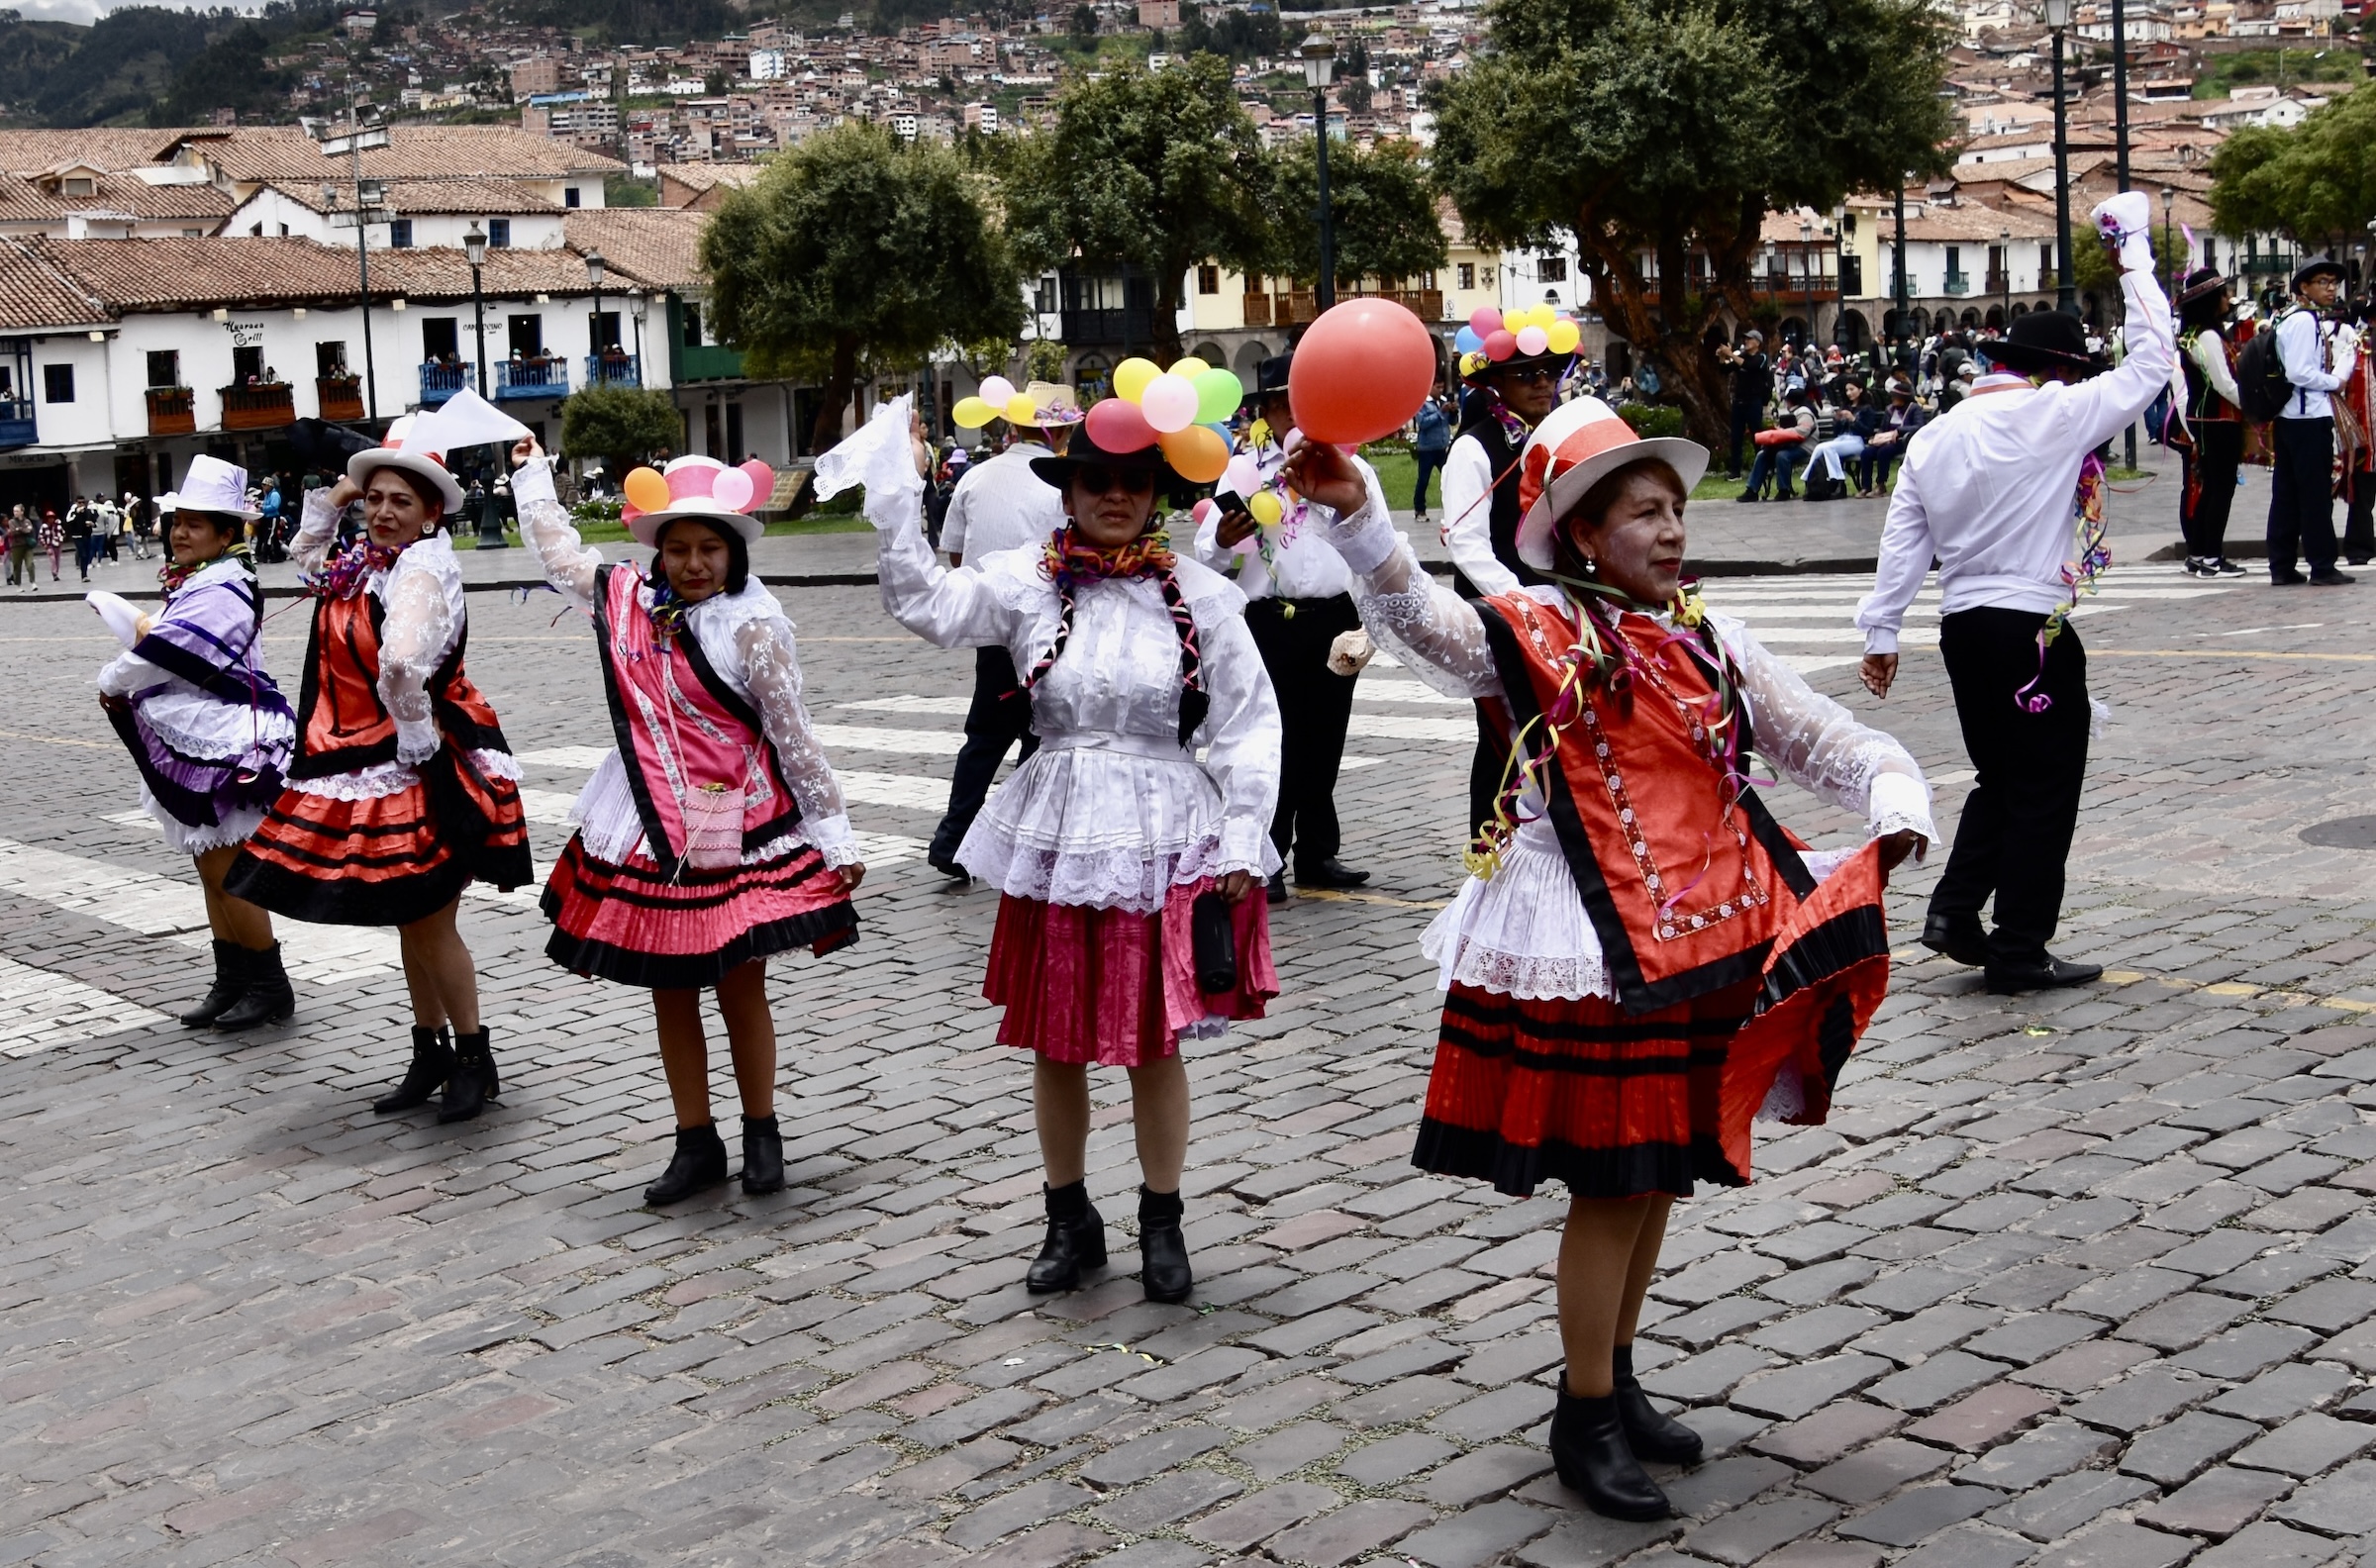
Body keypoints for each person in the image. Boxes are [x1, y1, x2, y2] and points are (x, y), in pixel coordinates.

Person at [1285, 400, 1931, 1521]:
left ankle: (1617, 1377)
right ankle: (1583, 1411)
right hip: (1589, 939)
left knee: (1663, 1169)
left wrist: (1894, 793)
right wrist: (1360, 520)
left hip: (1691, 938)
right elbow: (1428, 628)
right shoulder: (1538, 625)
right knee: (1612, 1180)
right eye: (1644, 511)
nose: (1673, 529)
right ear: (1584, 532)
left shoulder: (1703, 638)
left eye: (1677, 508)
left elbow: (1817, 734)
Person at [855, 395, 1281, 1306]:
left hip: (1165, 835)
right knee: (1057, 1040)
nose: (1114, 498)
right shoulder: (1027, 579)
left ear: (1157, 493)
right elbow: (927, 604)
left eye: (1133, 484)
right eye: (1097, 482)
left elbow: (1248, 723)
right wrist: (897, 495)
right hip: (1056, 832)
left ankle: (1161, 1217)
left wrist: (1244, 828)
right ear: (1071, 490)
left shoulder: (1205, 597)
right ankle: (1067, 1215)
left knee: (1153, 1039)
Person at [512, 438, 867, 1205]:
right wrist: (531, 472)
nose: (694, 562)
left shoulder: (754, 627)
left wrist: (833, 834)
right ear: (659, 553)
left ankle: (762, 1132)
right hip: (649, 821)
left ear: (735, 554)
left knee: (742, 991)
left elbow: (793, 734)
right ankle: (693, 1139)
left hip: (737, 824)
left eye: (710, 548)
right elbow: (560, 559)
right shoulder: (634, 604)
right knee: (670, 989)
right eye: (678, 548)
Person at [1857, 192, 2173, 995]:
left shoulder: (1933, 435)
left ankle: (1957, 912)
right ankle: (2019, 944)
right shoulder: (2055, 414)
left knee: (2001, 776)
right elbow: (2151, 361)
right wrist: (2132, 251)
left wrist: (1882, 632)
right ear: (2057, 372)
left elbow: (1904, 540)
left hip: (1963, 628)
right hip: (2031, 625)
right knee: (2043, 788)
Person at [225, 413, 534, 1123]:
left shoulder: (422, 567)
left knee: (429, 922)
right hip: (366, 752)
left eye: (402, 501)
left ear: (432, 512)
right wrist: (334, 497)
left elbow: (403, 661)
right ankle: (430, 1051)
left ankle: (473, 1057)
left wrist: (418, 735)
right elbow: (303, 556)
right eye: (376, 499)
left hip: (421, 760)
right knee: (408, 919)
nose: (384, 512)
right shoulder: (365, 559)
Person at [95, 458, 298, 1030]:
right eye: (176, 522)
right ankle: (232, 979)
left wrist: (111, 681)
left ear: (227, 533)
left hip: (226, 734)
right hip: (204, 730)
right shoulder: (204, 580)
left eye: (195, 524)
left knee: (227, 869)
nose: (180, 532)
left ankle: (269, 983)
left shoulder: (224, 587)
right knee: (210, 868)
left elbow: (171, 651)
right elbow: (165, 641)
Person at [1197, 353, 1368, 903]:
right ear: (1266, 410)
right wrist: (1224, 537)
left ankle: (1318, 851)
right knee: (1273, 739)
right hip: (1269, 618)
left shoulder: (1346, 466)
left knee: (1326, 738)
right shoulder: (1245, 471)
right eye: (1282, 405)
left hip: (1333, 617)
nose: (1294, 416)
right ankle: (1265, 854)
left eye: (1304, 405)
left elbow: (1373, 536)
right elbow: (1210, 555)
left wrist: (1372, 615)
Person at [927, 382, 1082, 880]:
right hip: (1047, 627)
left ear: (1013, 426)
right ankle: (1021, 839)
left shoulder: (976, 478)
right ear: (1057, 431)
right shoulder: (1061, 486)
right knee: (1043, 736)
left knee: (984, 736)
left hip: (993, 627)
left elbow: (954, 552)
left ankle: (953, 840)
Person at [1444, 339, 1570, 833]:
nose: (1542, 383)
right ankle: (1490, 845)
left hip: (1557, 605)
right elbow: (1466, 541)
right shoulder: (1474, 447)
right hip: (1502, 608)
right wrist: (1523, 600)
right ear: (1496, 384)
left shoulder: (1556, 438)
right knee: (1504, 734)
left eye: (1548, 371)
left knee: (1557, 727)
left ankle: (1553, 842)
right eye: (1526, 374)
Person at [2265, 258, 2361, 586]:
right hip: (2307, 417)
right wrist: (2334, 382)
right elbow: (2298, 372)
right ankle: (2321, 564)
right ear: (2304, 287)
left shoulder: (2288, 318)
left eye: (2333, 282)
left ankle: (2282, 564)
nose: (2331, 288)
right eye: (2323, 282)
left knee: (2288, 494)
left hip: (2291, 417)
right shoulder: (2304, 321)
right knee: (2314, 494)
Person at [2171, 267, 2250, 579]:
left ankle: (2199, 553)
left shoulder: (2194, 334)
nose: (2228, 300)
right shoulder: (2207, 336)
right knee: (2221, 487)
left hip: (2204, 417)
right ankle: (2212, 556)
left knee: (2211, 487)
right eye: (2224, 294)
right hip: (2217, 418)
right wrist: (2252, 406)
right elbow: (2224, 384)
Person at [1738, 385, 1815, 502]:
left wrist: (1780, 433)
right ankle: (1752, 490)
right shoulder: (1791, 412)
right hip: (1789, 445)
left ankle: (1784, 490)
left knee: (1782, 456)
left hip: (1805, 447)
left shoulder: (1804, 413)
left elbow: (1802, 432)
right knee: (1762, 455)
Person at [1802, 379, 1869, 502]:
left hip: (1857, 441)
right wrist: (1837, 421)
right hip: (1841, 440)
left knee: (1829, 448)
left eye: (1852, 389)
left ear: (1860, 390)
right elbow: (1836, 432)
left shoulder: (1866, 409)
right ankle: (1809, 479)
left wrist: (1853, 419)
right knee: (1819, 447)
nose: (1849, 393)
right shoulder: (1846, 407)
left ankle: (1838, 482)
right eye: (1847, 390)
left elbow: (1867, 431)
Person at [1859, 376, 1927, 495]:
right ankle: (1866, 486)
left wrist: (1900, 430)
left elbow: (1919, 426)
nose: (1893, 399)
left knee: (1883, 452)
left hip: (1902, 440)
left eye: (1895, 397)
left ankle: (1881, 484)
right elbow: (1883, 427)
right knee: (1867, 453)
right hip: (1886, 439)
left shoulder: (1914, 409)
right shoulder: (1890, 409)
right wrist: (1878, 436)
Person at [1718, 330, 1770, 480]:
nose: (1746, 341)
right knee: (1736, 437)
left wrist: (1730, 354)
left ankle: (1764, 468)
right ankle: (1735, 472)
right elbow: (1725, 370)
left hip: (1754, 401)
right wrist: (1723, 357)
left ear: (1757, 343)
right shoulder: (1741, 356)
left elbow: (1750, 366)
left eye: (1749, 339)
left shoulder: (1762, 358)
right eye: (1745, 338)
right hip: (1739, 402)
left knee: (1757, 436)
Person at [1411, 387, 1452, 521]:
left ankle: (1452, 508)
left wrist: (1453, 412)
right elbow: (1423, 423)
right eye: (1438, 387)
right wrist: (1441, 412)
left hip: (1442, 447)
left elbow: (1452, 422)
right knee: (1423, 480)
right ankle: (1419, 509)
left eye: (1442, 387)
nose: (1440, 390)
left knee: (1449, 478)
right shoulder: (1422, 403)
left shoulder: (1443, 401)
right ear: (1430, 387)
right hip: (1427, 449)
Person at [6, 504, 32, 587]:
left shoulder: (27, 520)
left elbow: (29, 530)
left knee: (30, 564)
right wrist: (21, 529)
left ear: (22, 512)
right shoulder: (11, 522)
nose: (15, 513)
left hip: (27, 545)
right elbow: (13, 532)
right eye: (14, 511)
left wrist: (19, 529)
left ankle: (33, 582)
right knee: (17, 566)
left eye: (17, 511)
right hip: (16, 546)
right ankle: (18, 585)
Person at [36, 505, 61, 581]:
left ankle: (56, 572)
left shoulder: (57, 526)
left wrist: (60, 540)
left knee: (57, 559)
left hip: (57, 545)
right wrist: (44, 545)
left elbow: (62, 533)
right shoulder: (44, 527)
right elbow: (40, 536)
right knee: (52, 559)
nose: (51, 519)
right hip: (49, 545)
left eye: (52, 517)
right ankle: (54, 573)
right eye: (49, 518)